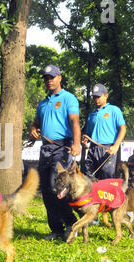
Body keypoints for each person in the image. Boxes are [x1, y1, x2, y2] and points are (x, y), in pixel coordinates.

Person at [30, 64, 81, 241]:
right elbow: (37, 122)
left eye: (52, 77)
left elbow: (75, 122)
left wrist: (76, 143)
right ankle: (56, 230)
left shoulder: (69, 98)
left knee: (56, 186)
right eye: (46, 78)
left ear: (59, 78)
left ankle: (72, 224)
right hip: (45, 149)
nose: (49, 80)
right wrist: (34, 128)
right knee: (45, 190)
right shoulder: (43, 103)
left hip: (63, 148)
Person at [82, 84, 126, 179]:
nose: (96, 99)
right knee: (89, 178)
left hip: (107, 149)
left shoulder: (114, 110)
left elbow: (123, 128)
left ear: (106, 95)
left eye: (98, 96)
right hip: (92, 150)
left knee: (106, 177)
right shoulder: (91, 115)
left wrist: (116, 145)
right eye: (94, 97)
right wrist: (85, 140)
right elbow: (88, 134)